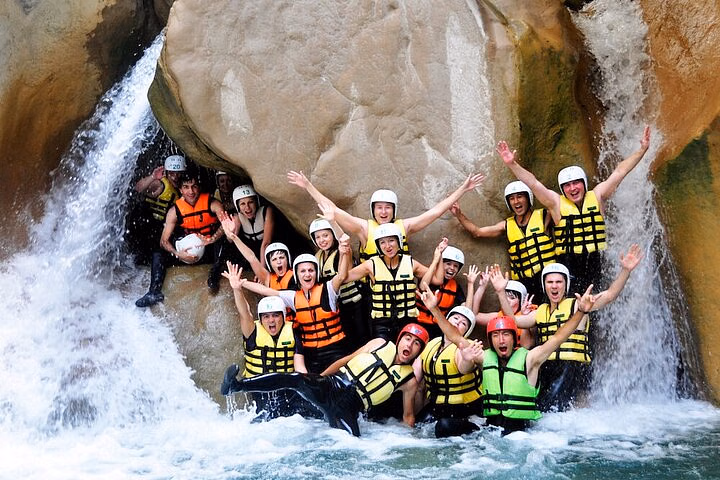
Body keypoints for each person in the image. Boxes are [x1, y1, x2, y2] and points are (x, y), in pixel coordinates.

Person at [497, 126, 650, 292]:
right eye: (567, 185)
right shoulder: (556, 203)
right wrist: (512, 164)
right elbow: (533, 183)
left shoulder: (598, 195)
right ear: (562, 189)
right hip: (568, 266)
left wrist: (641, 150)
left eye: (576, 183)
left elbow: (620, 171)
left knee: (594, 301)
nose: (572, 188)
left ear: (584, 183)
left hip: (593, 262)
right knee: (570, 302)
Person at [220, 323, 430, 436]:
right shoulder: (379, 344)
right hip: (333, 386)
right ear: (400, 339)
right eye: (407, 339)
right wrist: (319, 379)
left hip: (350, 409)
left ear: (419, 351)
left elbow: (408, 417)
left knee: (353, 443)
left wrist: (409, 440)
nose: (409, 345)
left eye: (416, 344)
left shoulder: (409, 381)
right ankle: (236, 385)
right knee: (296, 379)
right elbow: (345, 360)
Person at [513, 244, 643, 411]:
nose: (554, 286)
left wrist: (625, 271)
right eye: (550, 282)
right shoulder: (539, 312)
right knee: (546, 410)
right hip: (547, 369)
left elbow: (609, 295)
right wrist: (501, 292)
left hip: (574, 369)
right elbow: (512, 321)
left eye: (559, 282)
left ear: (566, 285)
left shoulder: (578, 305)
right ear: (544, 285)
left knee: (564, 411)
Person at [287, 170, 486, 261]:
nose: (383, 212)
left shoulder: (404, 227)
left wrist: (462, 189)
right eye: (379, 208)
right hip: (372, 291)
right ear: (373, 210)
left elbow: (435, 212)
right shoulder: (364, 228)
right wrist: (308, 186)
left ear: (394, 210)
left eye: (387, 208)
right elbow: (333, 210)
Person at [233, 233, 352, 373]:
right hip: (306, 345)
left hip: (331, 346)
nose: (307, 274)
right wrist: (240, 283)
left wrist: (345, 252)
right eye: (274, 259)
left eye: (310, 270)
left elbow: (341, 276)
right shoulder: (289, 293)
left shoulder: (326, 289)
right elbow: (265, 288)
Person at [222, 262, 310, 421]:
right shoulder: (252, 332)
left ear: (283, 317)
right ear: (261, 319)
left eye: (276, 315)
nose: (271, 320)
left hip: (287, 393)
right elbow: (245, 313)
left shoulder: (292, 333)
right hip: (260, 393)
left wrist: (310, 386)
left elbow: (300, 368)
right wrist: (237, 289)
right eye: (266, 316)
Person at [135, 170, 226, 307]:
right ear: (180, 190)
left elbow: (226, 224)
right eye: (186, 187)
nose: (191, 191)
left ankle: (214, 276)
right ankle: (154, 292)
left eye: (194, 187)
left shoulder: (213, 203)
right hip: (186, 252)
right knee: (158, 252)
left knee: (223, 243)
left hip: (209, 249)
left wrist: (212, 239)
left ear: (199, 188)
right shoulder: (174, 211)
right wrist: (178, 254)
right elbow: (163, 241)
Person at [451, 180, 555, 298]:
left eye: (520, 197)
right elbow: (477, 232)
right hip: (523, 283)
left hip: (548, 278)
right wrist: (459, 214)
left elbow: (556, 204)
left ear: (528, 198)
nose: (516, 201)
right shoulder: (506, 225)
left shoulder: (545, 216)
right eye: (512, 198)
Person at [344, 225, 443, 341]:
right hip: (382, 324)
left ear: (399, 241)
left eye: (391, 240)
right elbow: (344, 278)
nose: (387, 246)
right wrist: (344, 254)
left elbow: (438, 280)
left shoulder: (411, 263)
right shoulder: (371, 265)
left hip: (407, 321)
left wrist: (438, 258)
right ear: (378, 245)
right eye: (382, 242)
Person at [413, 293, 484, 438]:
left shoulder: (468, 347)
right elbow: (414, 379)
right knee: (417, 425)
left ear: (467, 331)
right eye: (455, 318)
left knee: (443, 426)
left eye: (463, 323)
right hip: (438, 408)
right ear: (447, 320)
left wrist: (467, 359)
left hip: (465, 411)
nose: (458, 323)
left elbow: (464, 368)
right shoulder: (431, 345)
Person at [309, 216, 368, 349]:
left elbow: (344, 272)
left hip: (356, 303)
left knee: (362, 338)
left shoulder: (342, 251)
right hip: (338, 307)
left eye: (325, 235)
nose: (322, 240)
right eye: (317, 237)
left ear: (333, 235)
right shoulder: (318, 257)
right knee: (348, 341)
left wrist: (332, 221)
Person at [129, 154, 185, 263]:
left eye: (178, 174)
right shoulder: (160, 184)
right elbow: (138, 188)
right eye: (172, 173)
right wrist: (153, 177)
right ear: (166, 173)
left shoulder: (183, 188)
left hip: (161, 226)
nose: (175, 177)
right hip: (146, 225)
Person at [470, 265, 537, 349]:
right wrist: (482, 287)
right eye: (505, 297)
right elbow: (474, 316)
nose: (507, 301)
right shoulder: (499, 316)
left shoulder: (531, 316)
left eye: (512, 298)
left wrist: (524, 316)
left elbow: (526, 346)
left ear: (521, 301)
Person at [415, 239, 468, 339]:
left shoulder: (455, 286)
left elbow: (465, 309)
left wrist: (471, 284)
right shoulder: (430, 276)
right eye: (448, 264)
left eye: (456, 266)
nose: (452, 268)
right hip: (418, 323)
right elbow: (423, 286)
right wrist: (436, 259)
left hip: (438, 328)